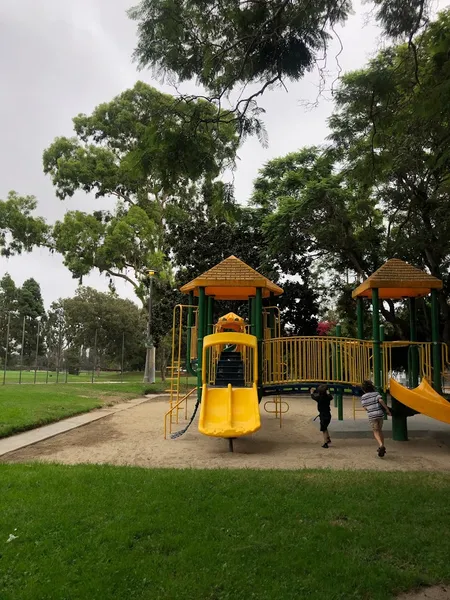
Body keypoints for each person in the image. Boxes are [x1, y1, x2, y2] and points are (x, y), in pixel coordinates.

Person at [360, 380, 392, 457]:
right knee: (380, 430)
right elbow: (380, 400)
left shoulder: (363, 397)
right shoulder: (376, 394)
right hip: (380, 415)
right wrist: (387, 410)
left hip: (372, 416)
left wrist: (369, 409)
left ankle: (381, 445)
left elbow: (365, 407)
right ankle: (382, 446)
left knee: (375, 431)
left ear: (363, 389)